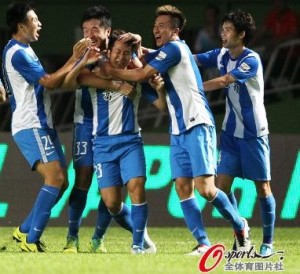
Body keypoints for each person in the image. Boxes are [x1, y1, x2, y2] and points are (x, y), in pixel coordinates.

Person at [101, 4, 251, 255]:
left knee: (206, 189)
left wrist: (109, 71)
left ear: (176, 30)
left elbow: (140, 73)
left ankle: (240, 225)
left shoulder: (175, 48)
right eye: (154, 26)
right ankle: (204, 243)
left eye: (162, 26)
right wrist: (137, 42)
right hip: (178, 129)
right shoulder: (165, 52)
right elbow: (144, 54)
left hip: (197, 123)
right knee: (182, 187)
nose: (156, 29)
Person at [62, 6, 156, 254]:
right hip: (87, 123)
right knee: (82, 177)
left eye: (95, 29)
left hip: (118, 127)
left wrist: (137, 43)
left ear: (107, 31)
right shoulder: (85, 53)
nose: (89, 34)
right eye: (85, 29)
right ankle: (72, 238)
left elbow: (141, 71)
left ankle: (100, 237)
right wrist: (113, 83)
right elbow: (71, 81)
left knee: (114, 190)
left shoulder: (120, 51)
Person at [2, 2, 93, 252]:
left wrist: (80, 64)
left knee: (61, 182)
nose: (39, 23)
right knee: (55, 177)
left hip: (43, 124)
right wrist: (74, 59)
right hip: (31, 125)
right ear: (21, 25)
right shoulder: (17, 53)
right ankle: (31, 241)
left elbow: (48, 84)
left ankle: (23, 231)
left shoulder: (26, 50)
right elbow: (49, 82)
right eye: (34, 19)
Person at [194, 10, 276, 257]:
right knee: (221, 186)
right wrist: (153, 54)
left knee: (263, 188)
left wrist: (192, 89)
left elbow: (223, 81)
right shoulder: (220, 54)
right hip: (230, 133)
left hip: (254, 134)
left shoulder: (251, 60)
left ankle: (268, 242)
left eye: (228, 30)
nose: (223, 33)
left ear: (241, 34)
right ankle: (241, 230)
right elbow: (192, 58)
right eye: (223, 29)